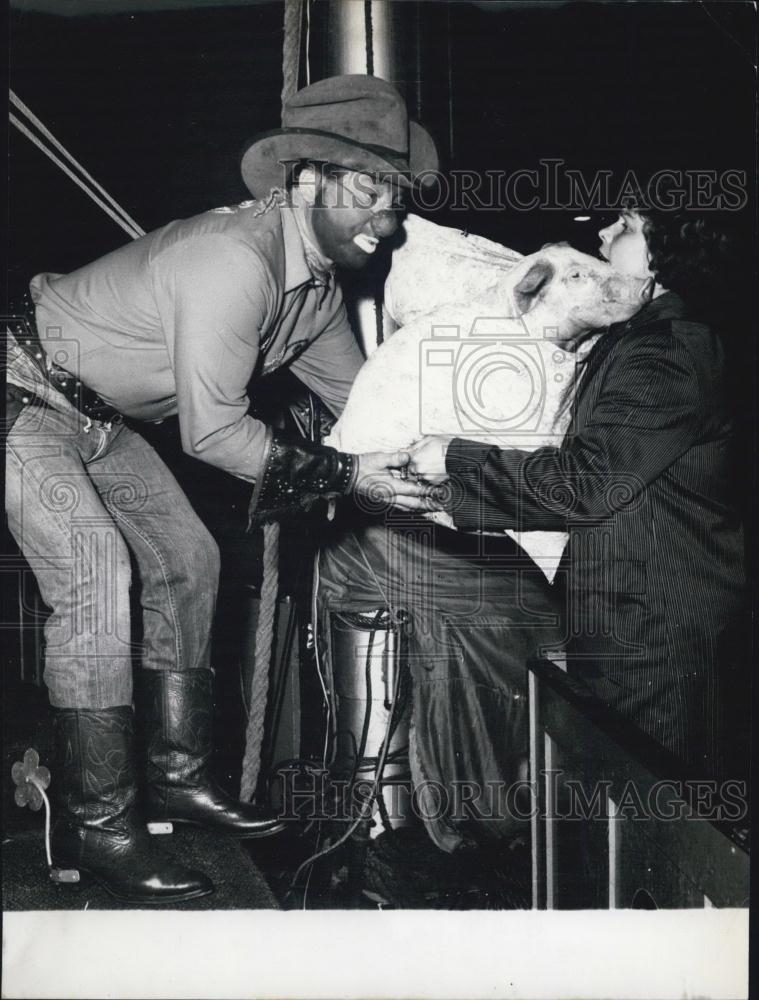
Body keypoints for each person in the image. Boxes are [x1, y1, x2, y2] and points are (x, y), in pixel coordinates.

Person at [5, 74, 439, 903]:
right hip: (22, 394)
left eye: (395, 196)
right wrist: (349, 476)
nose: (387, 220)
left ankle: (176, 777)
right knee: (99, 572)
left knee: (190, 561)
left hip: (94, 418)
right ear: (306, 179)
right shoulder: (233, 261)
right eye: (367, 190)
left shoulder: (313, 290)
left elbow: (362, 409)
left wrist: (440, 462)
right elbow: (212, 435)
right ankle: (99, 825)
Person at [408, 207, 749, 785]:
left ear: (664, 249)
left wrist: (454, 456)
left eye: (625, 226)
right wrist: (443, 495)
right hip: (634, 604)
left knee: (650, 810)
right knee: (625, 803)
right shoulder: (645, 337)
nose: (604, 234)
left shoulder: (663, 351)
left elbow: (588, 483)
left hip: (654, 623)